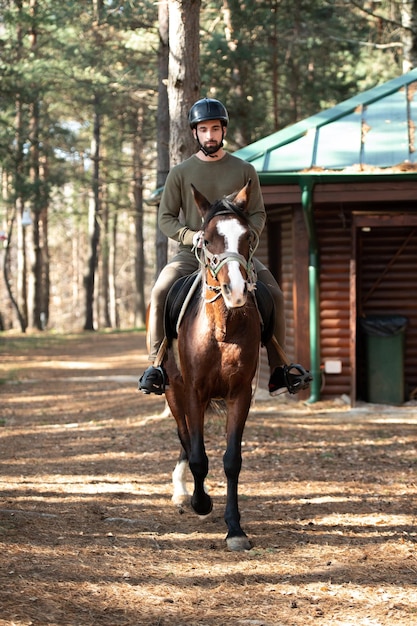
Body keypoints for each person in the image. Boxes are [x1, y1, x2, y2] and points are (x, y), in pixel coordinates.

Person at [139, 97, 311, 396]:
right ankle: (156, 366)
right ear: (194, 133)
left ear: (223, 131)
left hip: (236, 257)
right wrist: (190, 236)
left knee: (275, 294)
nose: (209, 135)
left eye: (215, 129)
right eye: (203, 129)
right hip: (193, 256)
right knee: (159, 292)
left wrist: (247, 241)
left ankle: (280, 369)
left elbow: (257, 213)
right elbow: (165, 218)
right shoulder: (180, 174)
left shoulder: (244, 170)